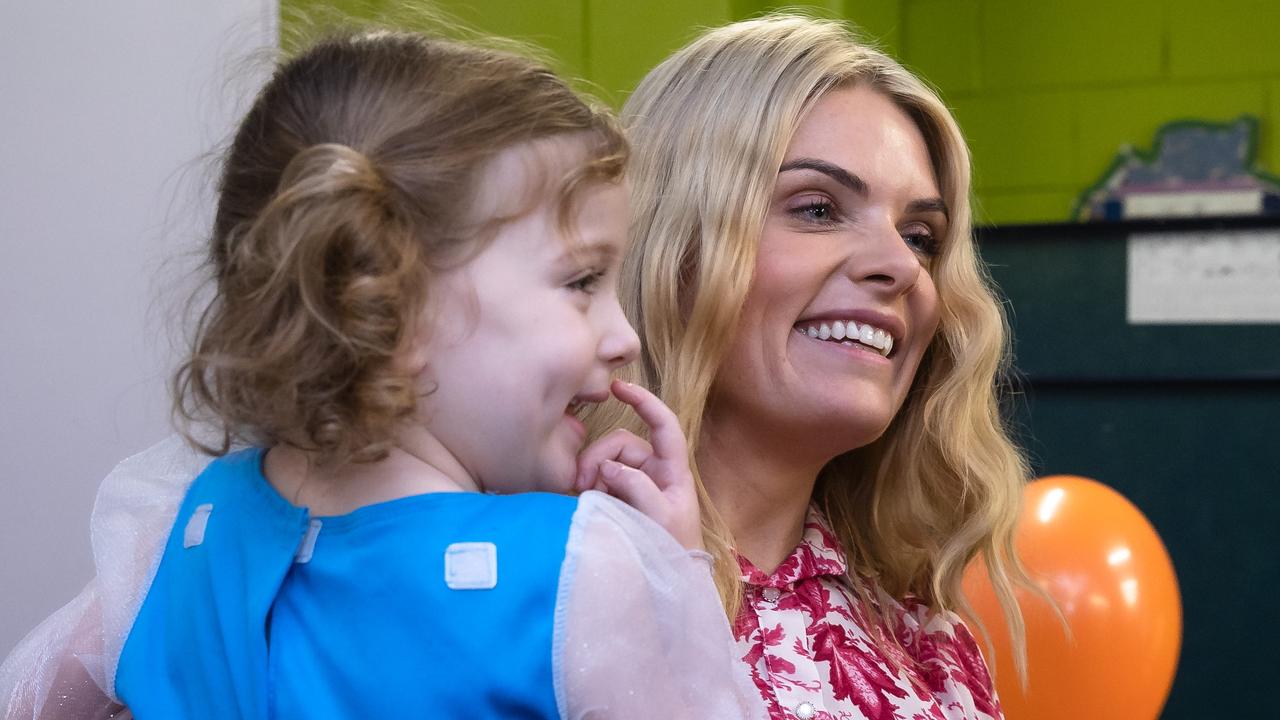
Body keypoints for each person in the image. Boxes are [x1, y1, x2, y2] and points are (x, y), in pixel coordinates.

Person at [0, 30, 763, 720]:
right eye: (582, 282)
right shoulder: (577, 574)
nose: (624, 336)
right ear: (387, 304)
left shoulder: (178, 525)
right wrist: (678, 574)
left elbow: (28, 698)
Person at [580, 14, 1037, 720]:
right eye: (819, 209)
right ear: (673, 244)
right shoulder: (533, 585)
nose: (900, 267)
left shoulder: (928, 647)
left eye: (921, 236)